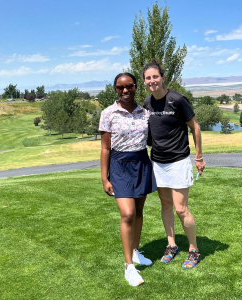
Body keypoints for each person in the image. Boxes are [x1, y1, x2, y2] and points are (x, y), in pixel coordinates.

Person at [143, 59, 206, 269]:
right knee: (166, 205)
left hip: (178, 161)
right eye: (148, 78)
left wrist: (198, 157)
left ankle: (193, 249)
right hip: (158, 163)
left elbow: (195, 127)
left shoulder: (177, 100)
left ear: (162, 77)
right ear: (145, 81)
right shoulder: (147, 103)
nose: (152, 81)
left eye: (155, 76)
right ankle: (171, 246)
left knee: (181, 209)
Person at [99, 72, 157, 286]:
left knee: (139, 211)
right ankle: (129, 267)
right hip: (119, 165)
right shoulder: (108, 113)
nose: (125, 91)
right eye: (120, 87)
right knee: (128, 213)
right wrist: (104, 178)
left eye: (129, 86)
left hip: (142, 162)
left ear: (135, 87)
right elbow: (105, 148)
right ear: (115, 89)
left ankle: (135, 252)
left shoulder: (145, 112)